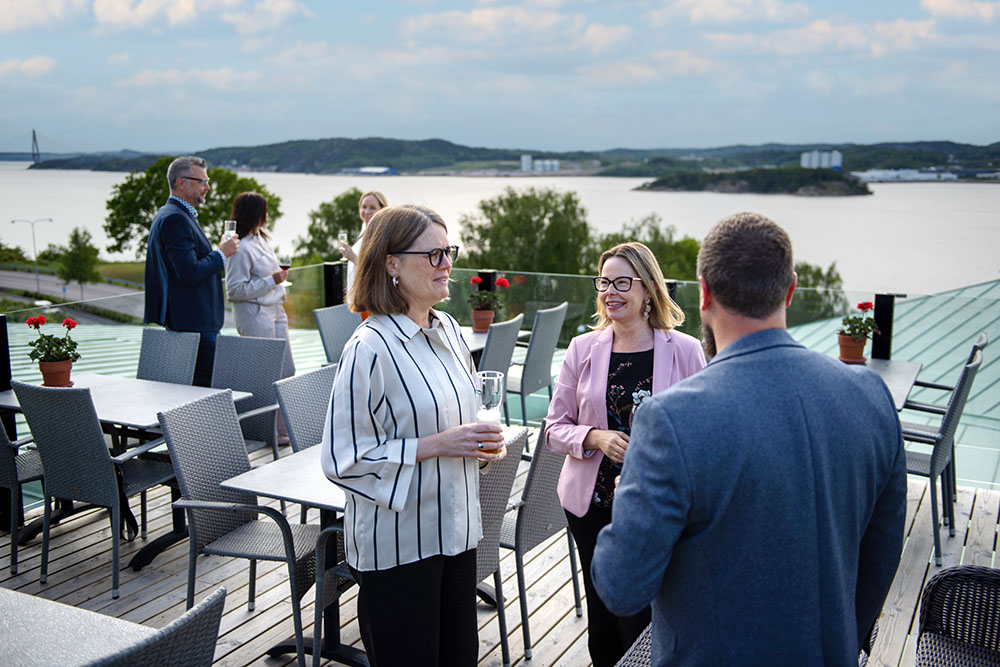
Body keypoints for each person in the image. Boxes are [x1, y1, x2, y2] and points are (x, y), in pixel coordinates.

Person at [591, 212, 907, 664]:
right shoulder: (870, 395)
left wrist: (628, 500)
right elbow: (881, 554)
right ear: (790, 289)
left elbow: (621, 587)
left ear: (704, 294)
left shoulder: (670, 419)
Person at [320, 204, 506, 666]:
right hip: (400, 550)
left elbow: (462, 425)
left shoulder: (449, 330)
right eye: (434, 254)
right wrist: (437, 446)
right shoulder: (369, 348)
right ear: (392, 264)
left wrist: (482, 450)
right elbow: (342, 460)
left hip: (459, 534)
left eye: (449, 252)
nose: (446, 265)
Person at [545, 241, 706, 667]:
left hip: (656, 507)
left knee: (644, 617)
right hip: (591, 505)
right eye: (604, 282)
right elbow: (552, 429)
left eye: (621, 282)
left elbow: (703, 433)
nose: (610, 291)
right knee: (601, 619)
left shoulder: (686, 350)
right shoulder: (582, 349)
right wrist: (595, 438)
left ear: (648, 289)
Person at [144, 155, 238, 386]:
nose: (207, 187)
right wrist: (221, 254)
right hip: (195, 325)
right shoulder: (176, 218)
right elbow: (189, 272)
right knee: (204, 396)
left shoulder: (171, 214)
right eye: (202, 181)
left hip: (191, 323)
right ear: (181, 183)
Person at [224, 191, 294, 443]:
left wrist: (276, 281)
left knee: (287, 369)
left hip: (275, 309)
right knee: (267, 376)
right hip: (255, 314)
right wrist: (271, 280)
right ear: (257, 213)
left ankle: (283, 429)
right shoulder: (240, 247)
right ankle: (267, 433)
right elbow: (234, 290)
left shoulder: (261, 239)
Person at [339, 190, 388, 298]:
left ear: (382, 210)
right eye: (364, 207)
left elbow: (379, 269)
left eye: (372, 208)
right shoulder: (365, 229)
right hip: (358, 293)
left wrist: (353, 257)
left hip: (371, 295)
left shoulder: (382, 234)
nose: (367, 211)